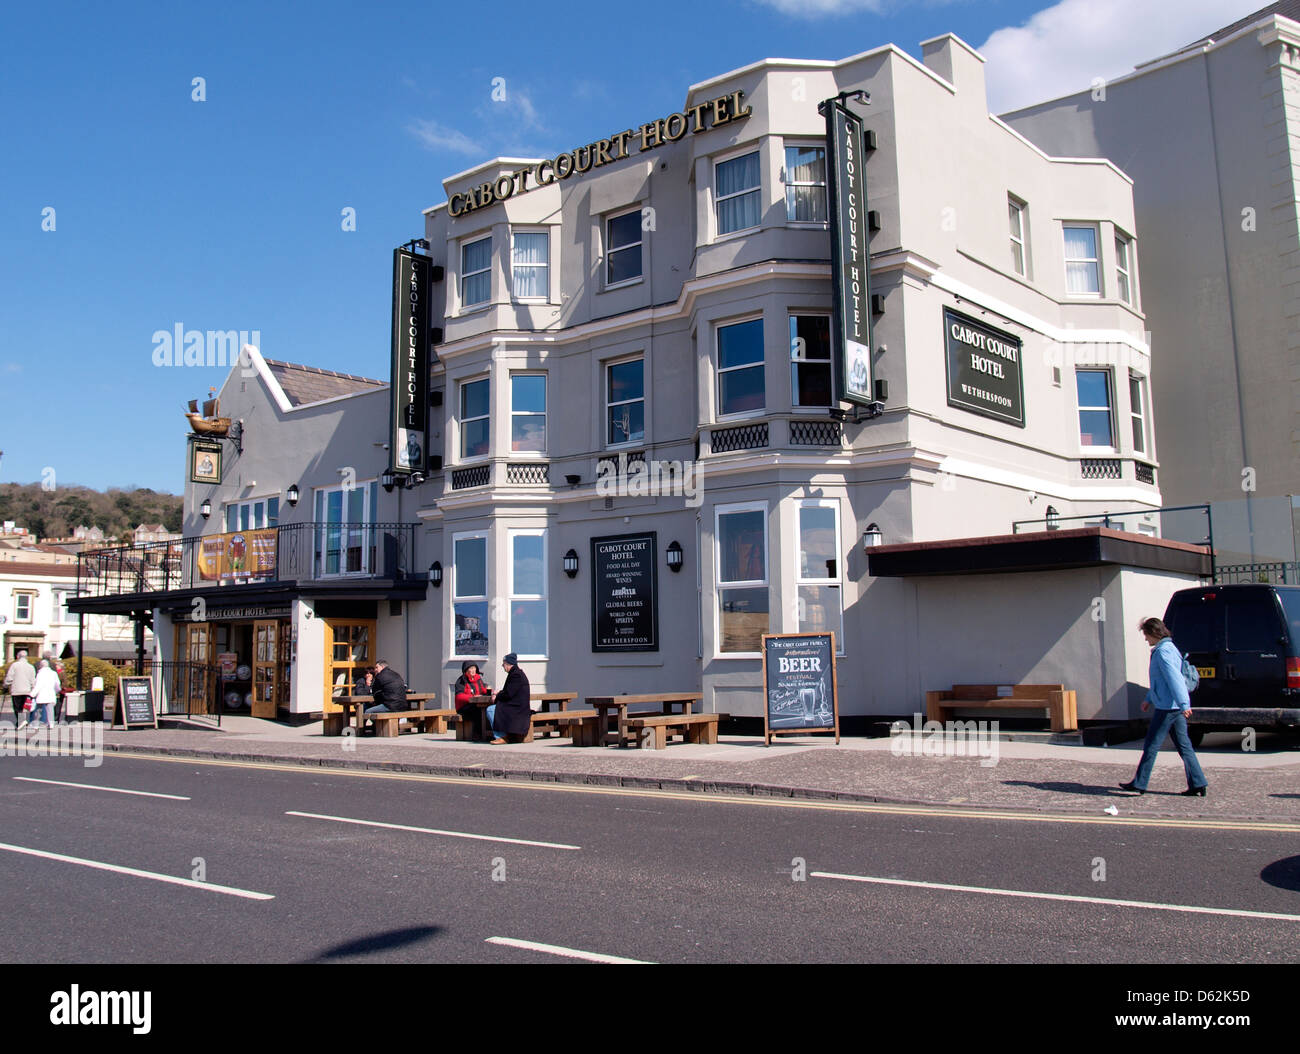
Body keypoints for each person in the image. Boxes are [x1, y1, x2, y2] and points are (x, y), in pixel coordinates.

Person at [1120, 617, 1209, 797]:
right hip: (1173, 706)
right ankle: (1198, 783)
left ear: (1154, 633)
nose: (1145, 639)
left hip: (1168, 708)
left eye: (1146, 635)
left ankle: (1140, 783)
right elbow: (1160, 681)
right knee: (1185, 747)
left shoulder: (1163, 652)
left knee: (1151, 745)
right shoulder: (1169, 649)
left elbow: (1173, 679)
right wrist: (1148, 699)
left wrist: (1185, 703)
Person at [487, 653, 530, 745]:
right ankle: (505, 736)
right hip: (517, 706)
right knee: (494, 708)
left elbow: (508, 694)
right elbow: (510, 691)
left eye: (503, 664)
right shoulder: (516, 673)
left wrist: (497, 695)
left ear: (508, 664)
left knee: (490, 710)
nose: (503, 666)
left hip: (517, 709)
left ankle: (502, 737)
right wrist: (499, 694)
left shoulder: (516, 675)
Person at [4, 650, 35, 728]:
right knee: (22, 707)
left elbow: (9, 678)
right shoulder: (31, 667)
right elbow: (33, 680)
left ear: (18, 656)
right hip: (27, 690)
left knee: (17, 707)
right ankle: (20, 723)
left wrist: (5, 685)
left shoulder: (14, 665)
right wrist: (33, 688)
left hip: (17, 690)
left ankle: (21, 721)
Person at [30, 659, 62, 731]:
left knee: (39, 710)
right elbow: (57, 684)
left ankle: (36, 724)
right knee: (50, 710)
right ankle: (51, 724)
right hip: (50, 693)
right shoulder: (53, 673)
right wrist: (57, 691)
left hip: (41, 694)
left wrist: (32, 694)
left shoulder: (40, 674)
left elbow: (38, 685)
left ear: (41, 666)